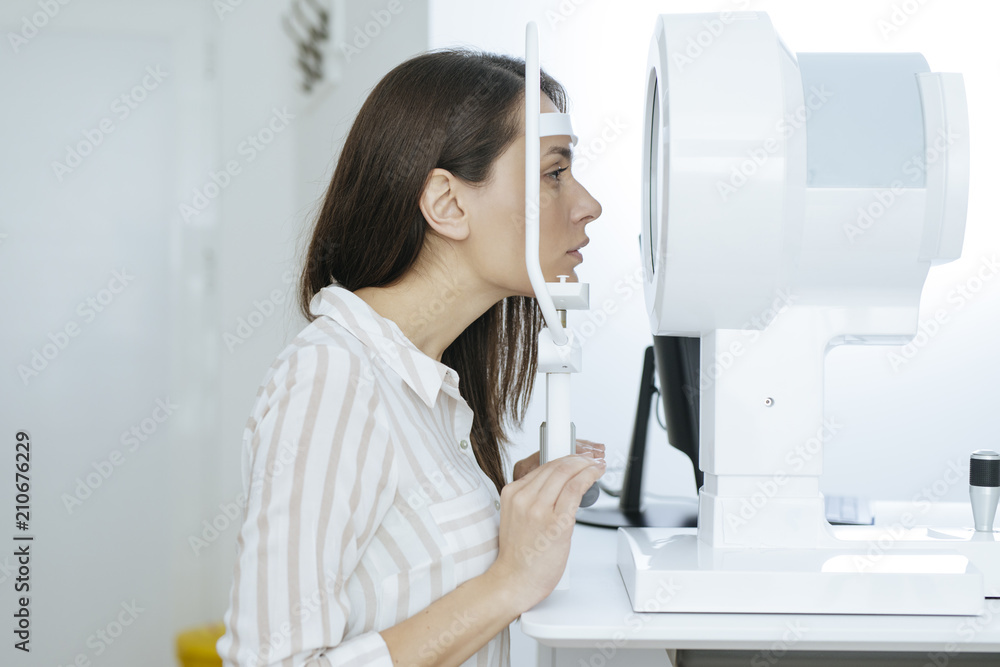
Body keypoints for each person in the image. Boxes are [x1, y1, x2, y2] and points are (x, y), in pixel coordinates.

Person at [217, 47, 606, 667]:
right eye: (553, 173)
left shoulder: (431, 389)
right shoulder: (332, 379)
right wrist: (510, 579)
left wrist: (509, 514)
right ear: (449, 204)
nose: (587, 204)